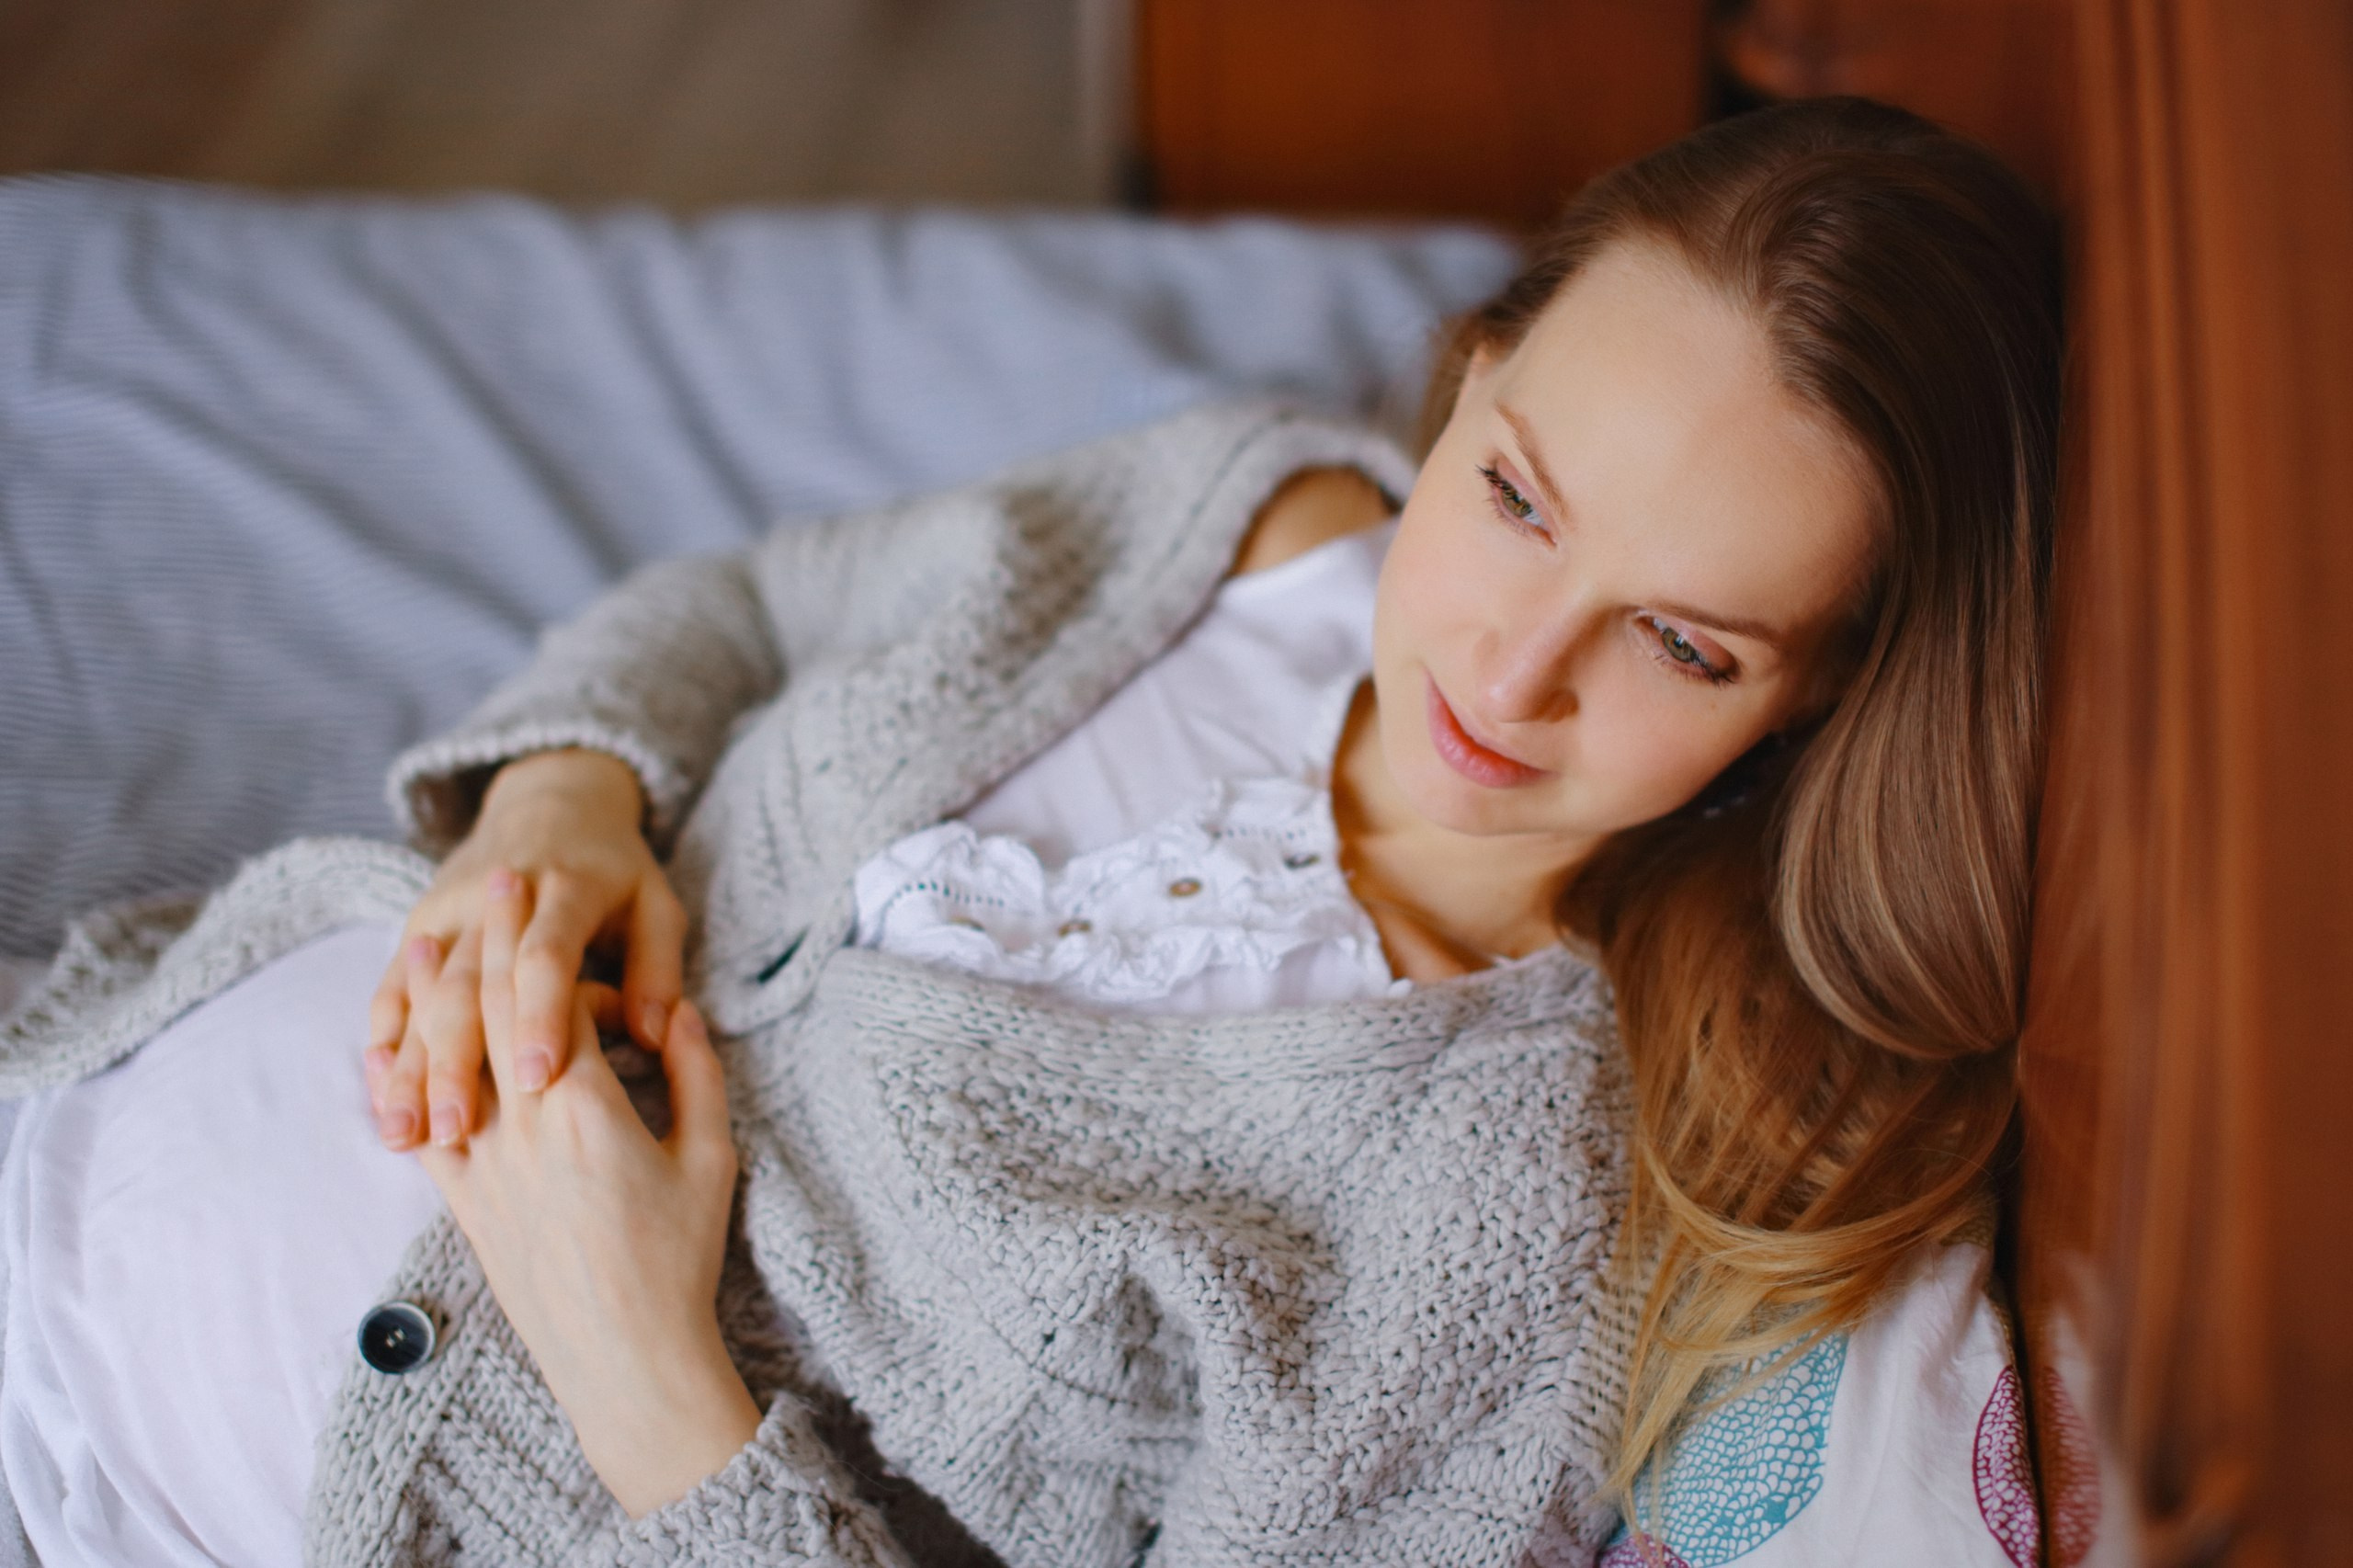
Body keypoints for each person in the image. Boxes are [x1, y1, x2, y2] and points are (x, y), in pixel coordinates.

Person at [0, 97, 2058, 1566]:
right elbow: (754, 606)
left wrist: (644, 1370)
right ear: (1471, 376)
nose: (1506, 671)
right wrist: (560, 805)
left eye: (1680, 642)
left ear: (1825, 699)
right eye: (1515, 492)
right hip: (65, 1073)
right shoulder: (1254, 516)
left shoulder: (1520, 1226)